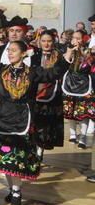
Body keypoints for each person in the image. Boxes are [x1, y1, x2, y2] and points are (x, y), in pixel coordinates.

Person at [0, 40, 73, 205]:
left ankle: (17, 191)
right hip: (2, 118)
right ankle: (12, 190)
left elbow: (53, 73)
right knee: (4, 157)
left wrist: (67, 57)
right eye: (9, 50)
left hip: (22, 119)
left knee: (16, 156)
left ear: (24, 54)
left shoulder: (33, 72)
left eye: (14, 50)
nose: (10, 53)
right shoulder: (1, 69)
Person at [31, 30, 66, 158]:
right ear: (39, 41)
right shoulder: (33, 54)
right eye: (44, 41)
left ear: (54, 41)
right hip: (33, 93)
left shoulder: (58, 55)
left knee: (45, 125)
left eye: (49, 41)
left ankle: (40, 150)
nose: (46, 44)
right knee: (33, 123)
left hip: (52, 94)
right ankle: (33, 148)